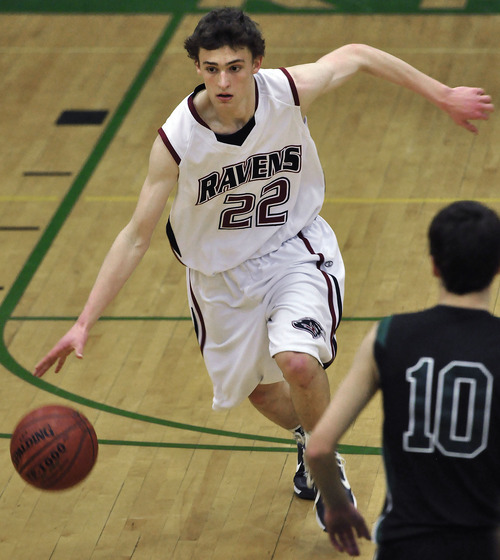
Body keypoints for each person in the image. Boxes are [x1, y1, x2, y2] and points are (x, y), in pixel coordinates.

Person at [34, 8, 493, 517]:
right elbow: (135, 238)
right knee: (258, 394)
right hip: (219, 278)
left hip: (293, 248)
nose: (223, 81)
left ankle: (325, 465)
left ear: (257, 62)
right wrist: (82, 322)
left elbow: (358, 55)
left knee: (297, 359)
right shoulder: (177, 140)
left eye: (234, 67)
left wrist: (442, 94)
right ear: (198, 68)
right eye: (210, 69)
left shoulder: (287, 91)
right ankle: (307, 436)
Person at [306, 200, 500, 557]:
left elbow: (318, 448)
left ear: (434, 265)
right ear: (496, 267)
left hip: (403, 543)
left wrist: (336, 506)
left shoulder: (389, 335)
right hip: (481, 544)